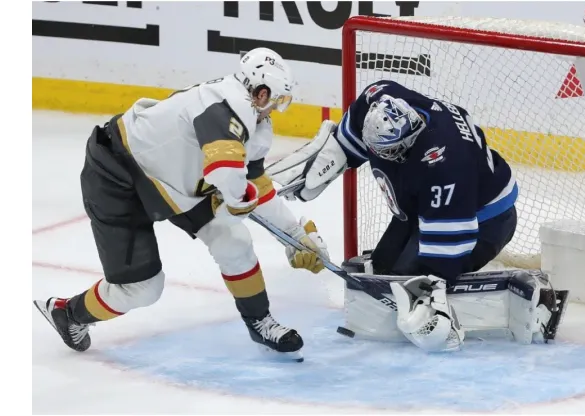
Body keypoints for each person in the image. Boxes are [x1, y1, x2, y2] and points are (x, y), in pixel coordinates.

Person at [33, 48, 329, 362]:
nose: (276, 109)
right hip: (117, 176)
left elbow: (255, 188)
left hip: (173, 183)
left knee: (234, 241)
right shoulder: (223, 105)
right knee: (143, 289)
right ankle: (69, 313)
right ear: (261, 92)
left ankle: (258, 321)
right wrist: (240, 199)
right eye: (276, 100)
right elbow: (229, 178)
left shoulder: (249, 118)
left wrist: (295, 236)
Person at [266, 80, 521, 352]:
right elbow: (345, 141)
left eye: (389, 152)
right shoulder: (378, 98)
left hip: (486, 218)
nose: (381, 157)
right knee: (381, 271)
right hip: (421, 207)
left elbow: (446, 251)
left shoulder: (444, 163)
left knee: (405, 281)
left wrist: (427, 293)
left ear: (411, 139)